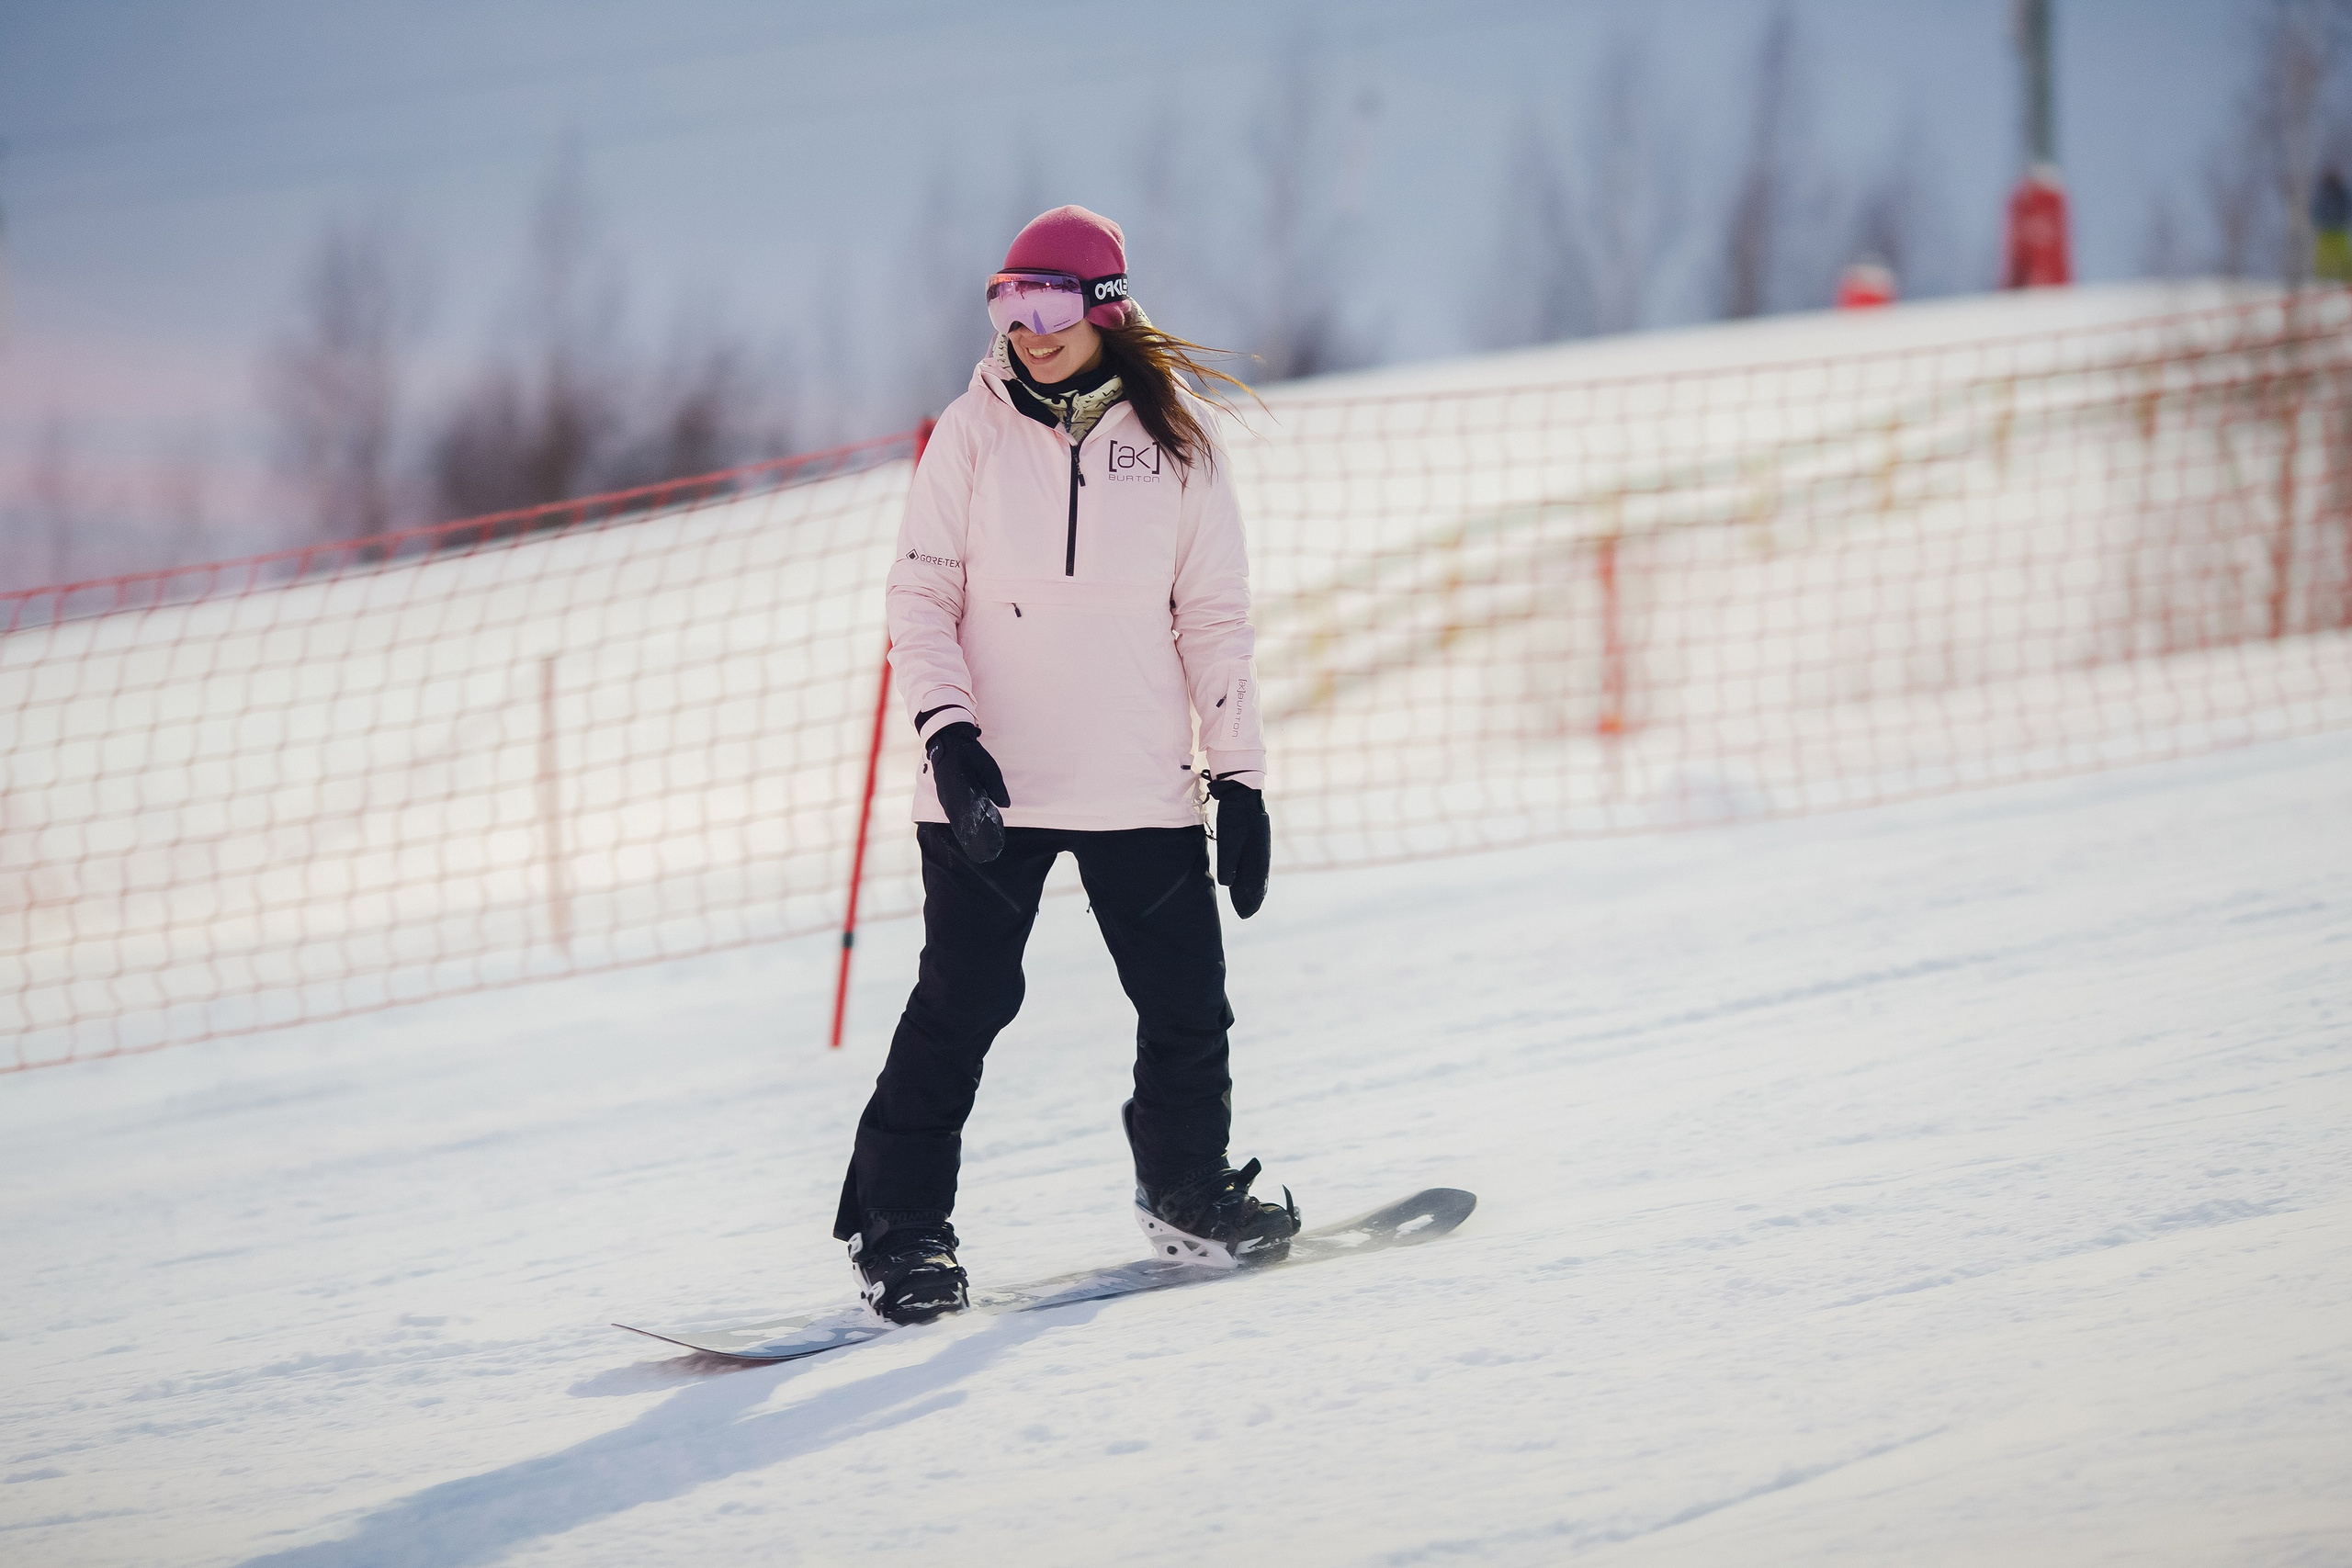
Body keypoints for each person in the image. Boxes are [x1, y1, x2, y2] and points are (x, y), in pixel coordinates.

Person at [833, 205, 1300, 1325]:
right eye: (1004, 302)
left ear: (1104, 306)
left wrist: (1236, 776)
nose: (1024, 328)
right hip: (990, 783)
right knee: (962, 1004)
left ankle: (1186, 1191)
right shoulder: (972, 432)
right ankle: (902, 1235)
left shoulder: (1178, 440)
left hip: (1138, 778)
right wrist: (948, 736)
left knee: (1187, 1004)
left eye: (1045, 303)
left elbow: (1214, 617)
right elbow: (922, 599)